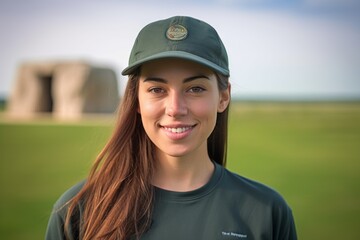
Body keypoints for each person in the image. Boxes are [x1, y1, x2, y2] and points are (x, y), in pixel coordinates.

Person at [45, 16, 297, 240]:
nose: (175, 108)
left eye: (195, 88)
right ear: (136, 100)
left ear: (223, 97)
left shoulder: (267, 212)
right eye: (157, 90)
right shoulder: (77, 210)